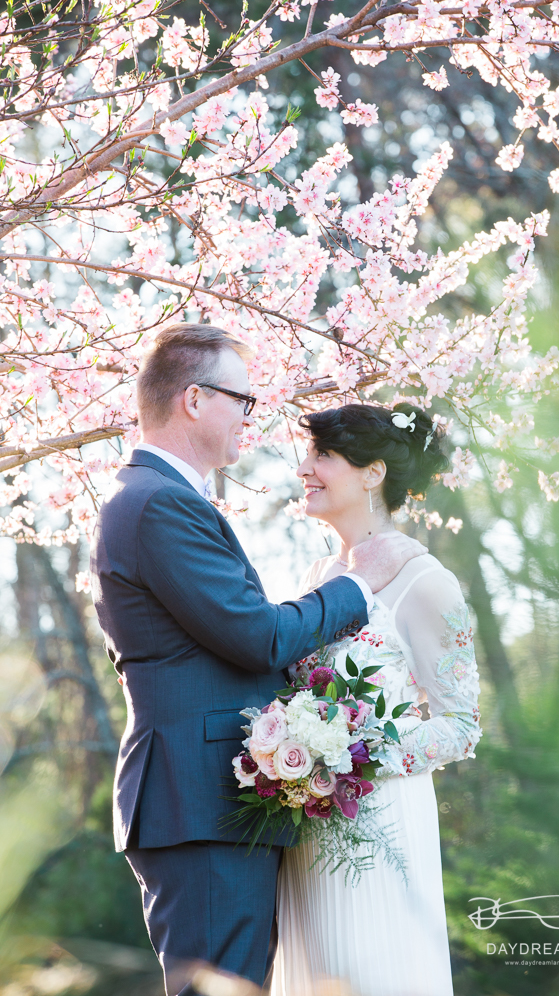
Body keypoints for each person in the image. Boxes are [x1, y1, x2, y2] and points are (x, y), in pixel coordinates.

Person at [89, 324, 428, 995]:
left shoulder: (155, 498)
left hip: (203, 800)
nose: (251, 415)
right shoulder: (158, 504)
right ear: (194, 399)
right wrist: (356, 585)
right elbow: (257, 637)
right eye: (242, 399)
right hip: (196, 800)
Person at [270, 403, 483, 996]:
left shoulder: (427, 581)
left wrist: (352, 755)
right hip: (309, 827)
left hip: (380, 821)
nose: (304, 469)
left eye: (323, 456)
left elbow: (461, 725)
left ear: (373, 473)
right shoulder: (316, 576)